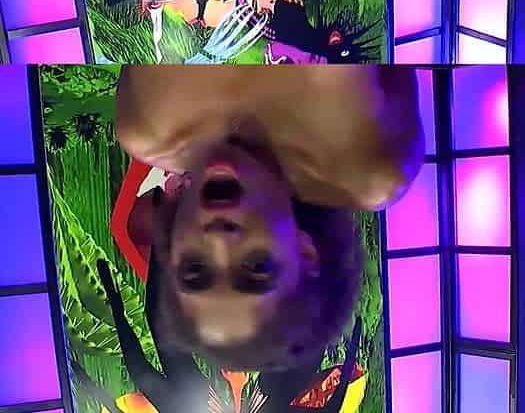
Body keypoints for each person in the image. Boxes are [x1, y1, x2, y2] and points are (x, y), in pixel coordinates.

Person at [115, 64, 425, 372]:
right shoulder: (371, 160)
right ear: (306, 252)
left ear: (172, 250)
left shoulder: (147, 121)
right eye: (256, 267)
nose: (219, 239)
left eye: (194, 269)